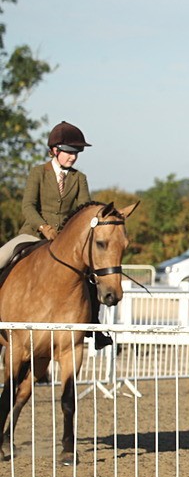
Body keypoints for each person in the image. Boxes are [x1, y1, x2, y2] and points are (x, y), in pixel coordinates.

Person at [0, 121, 110, 348]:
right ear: (55, 151)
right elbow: (28, 207)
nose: (73, 158)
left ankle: (93, 326)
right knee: (2, 258)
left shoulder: (79, 178)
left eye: (76, 153)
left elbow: (83, 211)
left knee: (90, 275)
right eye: (69, 152)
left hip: (66, 242)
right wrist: (43, 227)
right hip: (33, 235)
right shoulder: (38, 173)